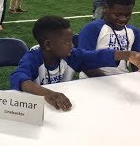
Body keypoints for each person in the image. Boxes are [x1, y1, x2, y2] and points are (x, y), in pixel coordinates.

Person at [10, 15, 140, 111]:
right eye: (67, 42)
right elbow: (19, 77)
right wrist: (48, 93)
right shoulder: (32, 58)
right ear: (48, 45)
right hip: (38, 109)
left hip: (61, 108)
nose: (72, 45)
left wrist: (128, 55)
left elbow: (96, 56)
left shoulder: (72, 56)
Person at [78, 0, 139, 78]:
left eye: (127, 15)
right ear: (105, 8)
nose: (123, 19)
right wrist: (111, 82)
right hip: (92, 81)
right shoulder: (92, 29)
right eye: (118, 15)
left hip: (121, 80)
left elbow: (136, 61)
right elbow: (85, 63)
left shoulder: (134, 32)